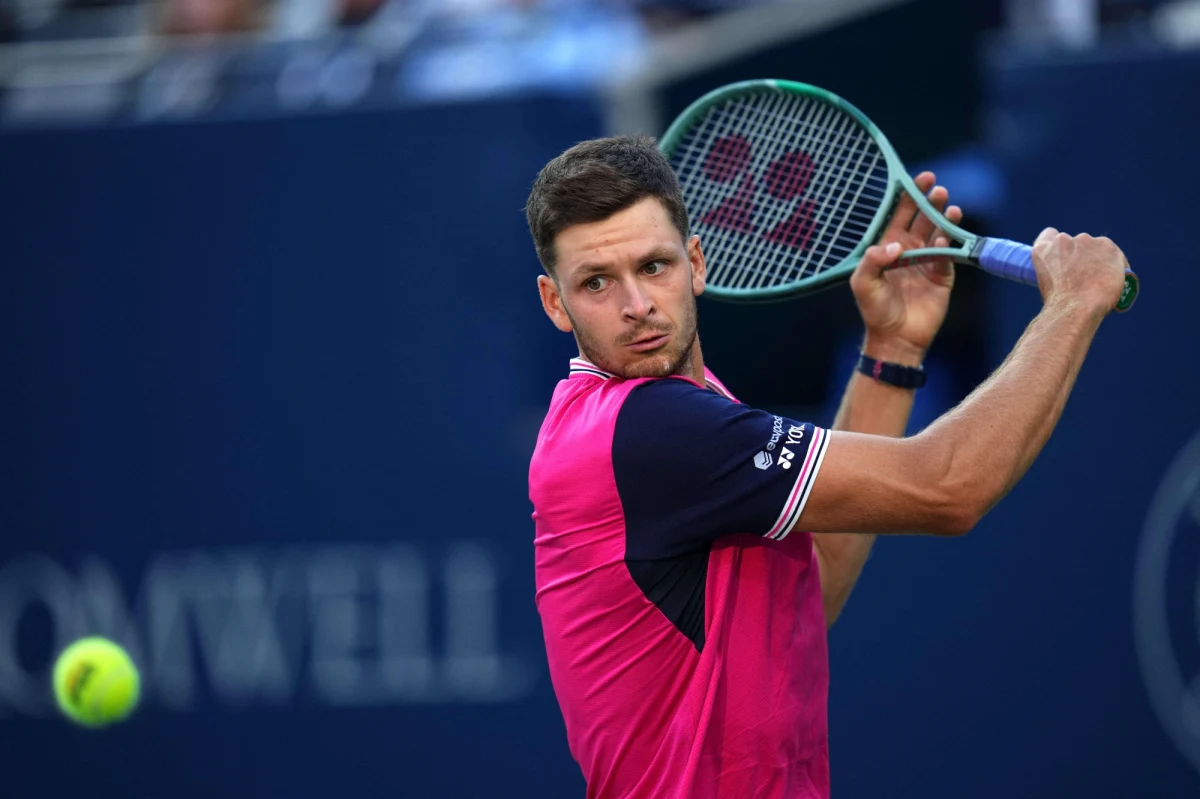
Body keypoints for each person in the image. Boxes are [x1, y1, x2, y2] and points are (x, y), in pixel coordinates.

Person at [524, 135, 1127, 798]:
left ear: (696, 262)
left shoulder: (688, 409)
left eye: (654, 266)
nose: (636, 303)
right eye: (598, 282)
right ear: (556, 303)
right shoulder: (644, 429)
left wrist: (892, 350)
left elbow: (808, 593)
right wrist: (1073, 302)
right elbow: (949, 488)